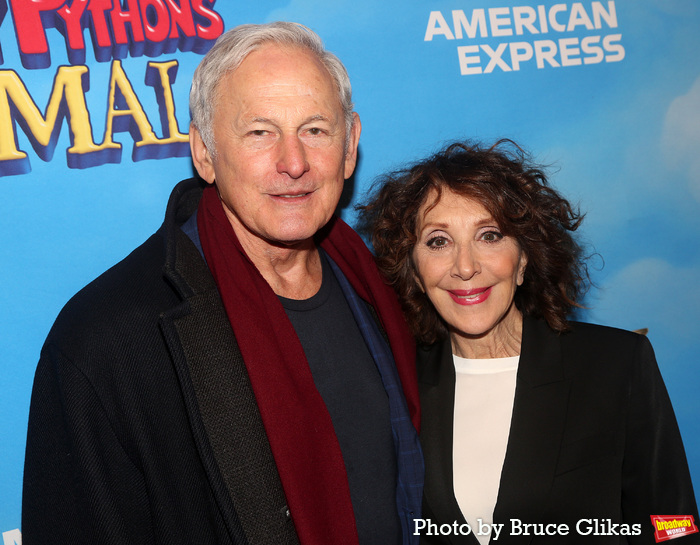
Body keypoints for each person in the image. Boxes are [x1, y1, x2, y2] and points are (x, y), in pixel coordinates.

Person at [22, 22, 423, 545]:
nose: (294, 162)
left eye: (316, 130)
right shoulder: (105, 340)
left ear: (350, 147)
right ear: (205, 152)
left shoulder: (384, 287)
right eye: (260, 132)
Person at [360, 140, 699, 544]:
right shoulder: (398, 384)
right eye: (438, 241)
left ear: (523, 259)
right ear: (413, 270)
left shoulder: (614, 364)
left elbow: (672, 524)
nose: (465, 266)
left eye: (489, 235)